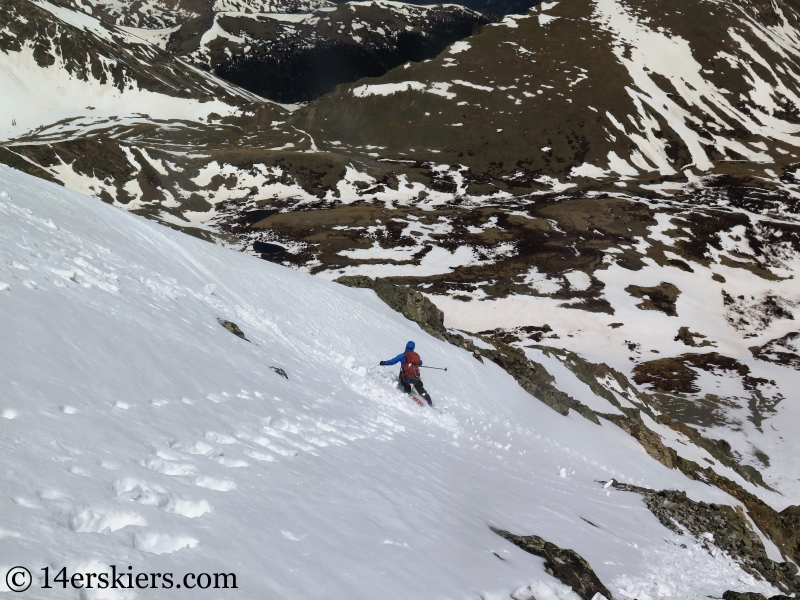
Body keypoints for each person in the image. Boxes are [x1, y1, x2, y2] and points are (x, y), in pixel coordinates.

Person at [380, 341, 433, 406]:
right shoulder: (416, 357)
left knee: (403, 377)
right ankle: (429, 403)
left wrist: (383, 363)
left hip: (406, 378)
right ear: (413, 348)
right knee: (421, 389)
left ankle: (408, 390)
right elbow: (420, 363)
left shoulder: (402, 356)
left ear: (406, 347)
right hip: (415, 378)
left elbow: (392, 362)